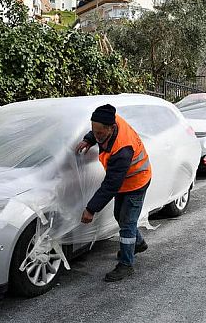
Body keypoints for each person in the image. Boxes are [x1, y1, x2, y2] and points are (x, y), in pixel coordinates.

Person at [75, 104, 152, 282]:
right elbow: (97, 130)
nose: (97, 135)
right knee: (120, 216)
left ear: (111, 128)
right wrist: (89, 139)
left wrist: (91, 209)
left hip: (136, 181)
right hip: (124, 182)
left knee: (126, 223)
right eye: (94, 131)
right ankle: (138, 244)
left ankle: (126, 265)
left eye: (100, 133)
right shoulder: (109, 118)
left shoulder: (122, 149)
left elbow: (110, 185)